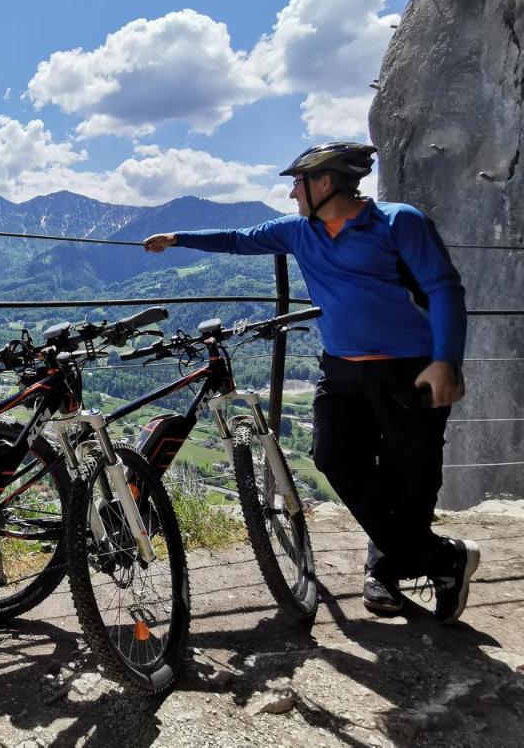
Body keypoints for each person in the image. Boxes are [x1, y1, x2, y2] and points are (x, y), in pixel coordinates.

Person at [143, 141, 478, 623]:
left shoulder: (399, 221)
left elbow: (445, 288)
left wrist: (446, 361)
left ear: (326, 183)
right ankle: (441, 558)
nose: (292, 194)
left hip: (410, 368)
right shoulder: (299, 232)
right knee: (333, 458)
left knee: (412, 475)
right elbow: (238, 239)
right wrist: (178, 237)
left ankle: (386, 569)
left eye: (297, 183)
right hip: (341, 369)